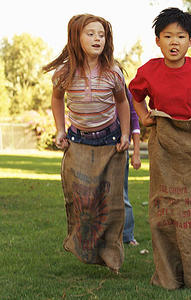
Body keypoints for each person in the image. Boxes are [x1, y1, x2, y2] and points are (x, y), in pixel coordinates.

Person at [129, 7, 191, 290]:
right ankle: (171, 276)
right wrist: (145, 115)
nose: (174, 42)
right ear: (158, 41)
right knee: (167, 212)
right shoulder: (148, 70)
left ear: (190, 41)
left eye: (181, 36)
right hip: (165, 146)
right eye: (167, 36)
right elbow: (134, 94)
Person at [43, 14, 130, 273]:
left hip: (110, 140)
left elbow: (122, 103)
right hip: (79, 140)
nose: (97, 39)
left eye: (101, 35)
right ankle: (86, 247)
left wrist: (125, 134)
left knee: (111, 200)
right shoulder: (65, 73)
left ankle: (112, 253)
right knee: (84, 198)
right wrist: (60, 129)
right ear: (76, 38)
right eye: (90, 34)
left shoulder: (113, 71)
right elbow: (57, 100)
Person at [123, 86, 141, 246]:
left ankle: (127, 236)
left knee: (122, 195)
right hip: (98, 147)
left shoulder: (127, 94)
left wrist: (136, 153)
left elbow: (134, 123)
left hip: (119, 151)